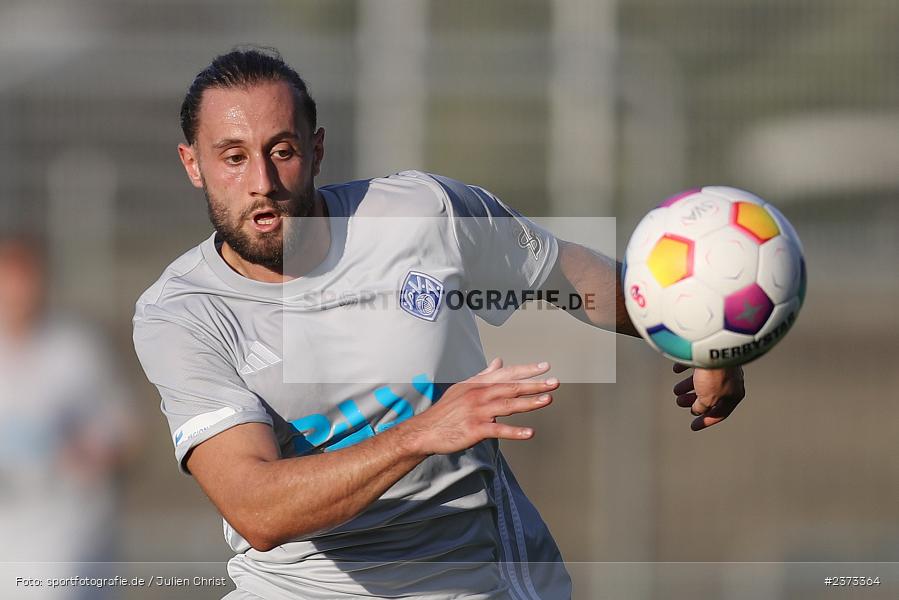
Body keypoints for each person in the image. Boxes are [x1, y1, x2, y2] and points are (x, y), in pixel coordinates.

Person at [132, 47, 745, 600]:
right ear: (193, 164)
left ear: (316, 150)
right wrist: (422, 432)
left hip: (477, 581)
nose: (261, 183)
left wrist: (699, 335)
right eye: (233, 158)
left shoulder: (423, 216)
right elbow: (257, 510)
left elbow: (572, 279)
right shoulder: (182, 315)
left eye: (282, 151)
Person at [0, 233, 137, 599]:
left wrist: (89, 454)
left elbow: (123, 432)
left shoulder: (76, 349)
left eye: (25, 278)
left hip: (67, 531)